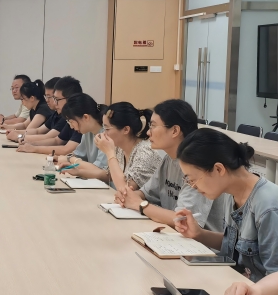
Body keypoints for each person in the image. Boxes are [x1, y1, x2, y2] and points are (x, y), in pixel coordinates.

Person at [174, 129, 278, 283]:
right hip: (235, 283)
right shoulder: (231, 193)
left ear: (218, 169)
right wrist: (199, 234)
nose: (193, 187)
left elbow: (274, 277)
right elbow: (234, 245)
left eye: (193, 180)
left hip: (256, 294)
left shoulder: (268, 206)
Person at [114, 99, 226, 231]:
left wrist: (140, 205)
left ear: (175, 131)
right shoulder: (169, 159)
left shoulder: (199, 164)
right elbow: (145, 193)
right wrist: (127, 196)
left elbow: (184, 220)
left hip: (196, 242)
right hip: (172, 235)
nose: (148, 132)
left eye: (153, 126)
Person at [94, 102, 163, 191]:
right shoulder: (119, 148)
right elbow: (110, 175)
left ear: (126, 129)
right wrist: (79, 169)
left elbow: (125, 189)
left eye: (107, 129)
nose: (104, 133)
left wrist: (109, 153)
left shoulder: (146, 153)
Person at [16, 76, 82, 156]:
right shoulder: (68, 117)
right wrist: (31, 144)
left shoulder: (80, 119)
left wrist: (33, 148)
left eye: (57, 99)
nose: (55, 103)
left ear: (71, 99)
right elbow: (57, 140)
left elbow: (66, 149)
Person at [56, 93, 109, 180]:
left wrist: (70, 159)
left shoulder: (107, 134)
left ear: (86, 117)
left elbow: (99, 171)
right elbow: (79, 155)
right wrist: (65, 159)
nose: (71, 126)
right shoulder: (87, 132)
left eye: (71, 122)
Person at [6, 77, 59, 142]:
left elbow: (31, 130)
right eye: (46, 96)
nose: (47, 100)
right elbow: (32, 128)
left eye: (23, 99)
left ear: (32, 98)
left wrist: (18, 136)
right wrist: (11, 129)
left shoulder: (43, 109)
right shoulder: (34, 109)